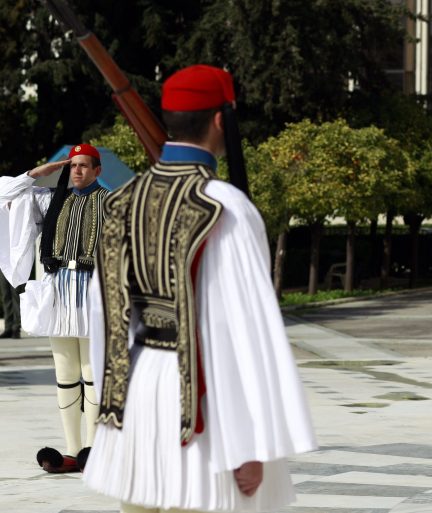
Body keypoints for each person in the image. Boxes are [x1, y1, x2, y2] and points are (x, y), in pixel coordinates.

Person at [83, 65, 316, 513]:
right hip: (203, 408)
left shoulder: (121, 200)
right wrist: (251, 440)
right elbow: (241, 330)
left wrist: (113, 416)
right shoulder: (224, 206)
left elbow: (104, 317)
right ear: (218, 121)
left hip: (138, 390)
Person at [0, 144, 107, 472]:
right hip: (58, 293)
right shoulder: (50, 199)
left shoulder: (112, 200)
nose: (77, 171)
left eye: (84, 166)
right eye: (73, 165)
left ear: (97, 170)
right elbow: (5, 193)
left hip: (92, 293)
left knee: (92, 375)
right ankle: (73, 451)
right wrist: (39, 172)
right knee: (65, 374)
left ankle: (95, 449)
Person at [0, 271, 21, 338]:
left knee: (16, 297)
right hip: (3, 266)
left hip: (15, 266)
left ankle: (16, 328)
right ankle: (8, 328)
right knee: (6, 297)